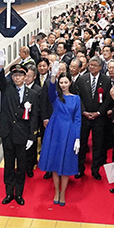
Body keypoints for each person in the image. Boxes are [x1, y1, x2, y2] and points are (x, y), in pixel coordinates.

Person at [0, 64, 38, 205]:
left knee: (21, 165)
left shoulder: (32, 95)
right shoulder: (7, 89)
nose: (17, 77)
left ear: (25, 77)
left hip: (22, 134)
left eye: (20, 75)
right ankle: (8, 193)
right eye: (14, 75)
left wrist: (32, 136)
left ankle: (19, 193)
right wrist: (0, 67)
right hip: (8, 133)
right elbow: (0, 78)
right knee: (9, 164)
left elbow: (34, 117)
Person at [38, 70, 82, 206]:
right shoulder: (55, 96)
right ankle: (56, 191)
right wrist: (53, 76)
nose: (63, 85)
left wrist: (77, 137)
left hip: (69, 131)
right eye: (61, 82)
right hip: (55, 130)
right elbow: (50, 89)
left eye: (65, 82)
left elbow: (77, 119)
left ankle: (63, 193)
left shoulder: (76, 98)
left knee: (66, 162)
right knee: (55, 163)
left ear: (70, 82)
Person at [75, 56, 114, 179]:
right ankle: (79, 169)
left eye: (94, 65)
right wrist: (84, 111)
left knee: (98, 144)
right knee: (82, 143)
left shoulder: (106, 80)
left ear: (100, 67)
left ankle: (95, 169)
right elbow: (78, 97)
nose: (91, 67)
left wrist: (99, 112)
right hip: (84, 116)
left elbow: (108, 99)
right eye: (90, 65)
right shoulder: (82, 79)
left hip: (99, 118)